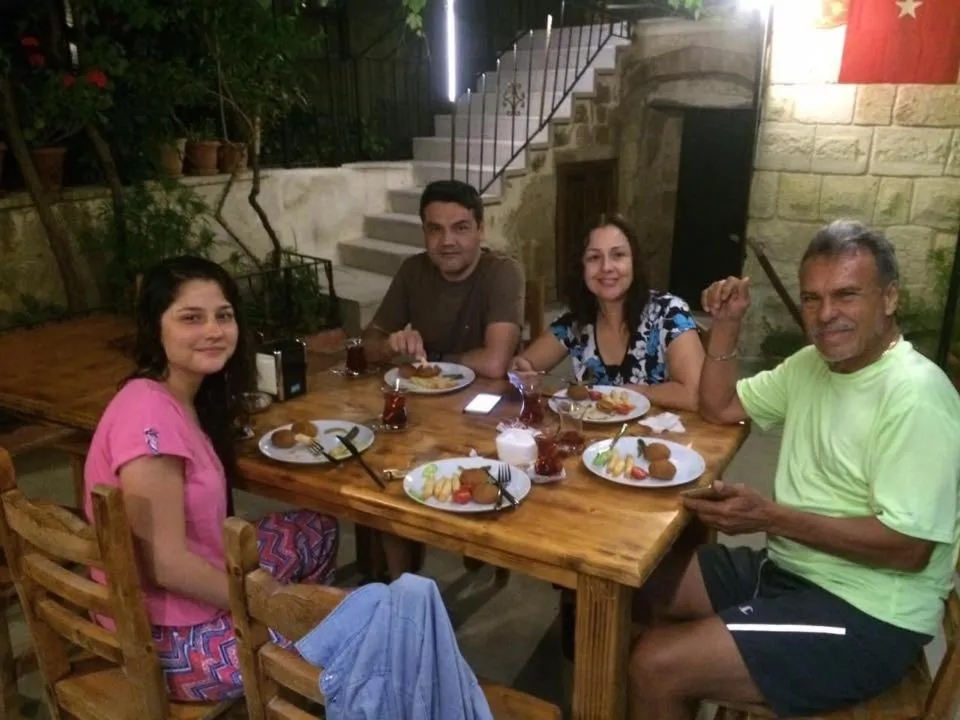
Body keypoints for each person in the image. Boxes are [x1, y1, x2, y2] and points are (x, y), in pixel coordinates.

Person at [627, 220, 960, 720]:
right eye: (812, 298)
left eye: (846, 295)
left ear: (889, 298)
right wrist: (726, 323)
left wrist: (772, 517)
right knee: (634, 584)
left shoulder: (917, 396)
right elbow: (718, 406)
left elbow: (909, 550)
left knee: (655, 664)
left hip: (867, 615)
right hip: (793, 571)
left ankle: (669, 684)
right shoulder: (812, 365)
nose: (826, 315)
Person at [83, 256, 340, 702]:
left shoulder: (172, 395)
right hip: (169, 642)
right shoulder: (149, 422)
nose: (213, 330)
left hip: (182, 600)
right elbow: (168, 567)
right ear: (154, 329)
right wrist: (272, 601)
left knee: (318, 529)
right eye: (190, 318)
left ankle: (293, 686)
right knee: (359, 626)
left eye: (223, 315)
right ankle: (295, 678)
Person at [510, 214, 704, 411]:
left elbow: (696, 395)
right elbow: (523, 365)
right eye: (594, 257)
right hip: (595, 440)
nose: (606, 267)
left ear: (634, 262)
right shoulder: (575, 323)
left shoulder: (670, 313)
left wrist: (639, 392)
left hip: (660, 439)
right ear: (581, 268)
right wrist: (520, 371)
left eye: (618, 255)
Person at [362, 179, 525, 380]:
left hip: (488, 400)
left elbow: (493, 365)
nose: (447, 241)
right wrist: (387, 347)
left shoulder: (502, 272)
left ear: (480, 230)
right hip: (423, 395)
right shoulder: (413, 269)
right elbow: (367, 346)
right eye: (436, 229)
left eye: (461, 228)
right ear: (424, 232)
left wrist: (434, 359)